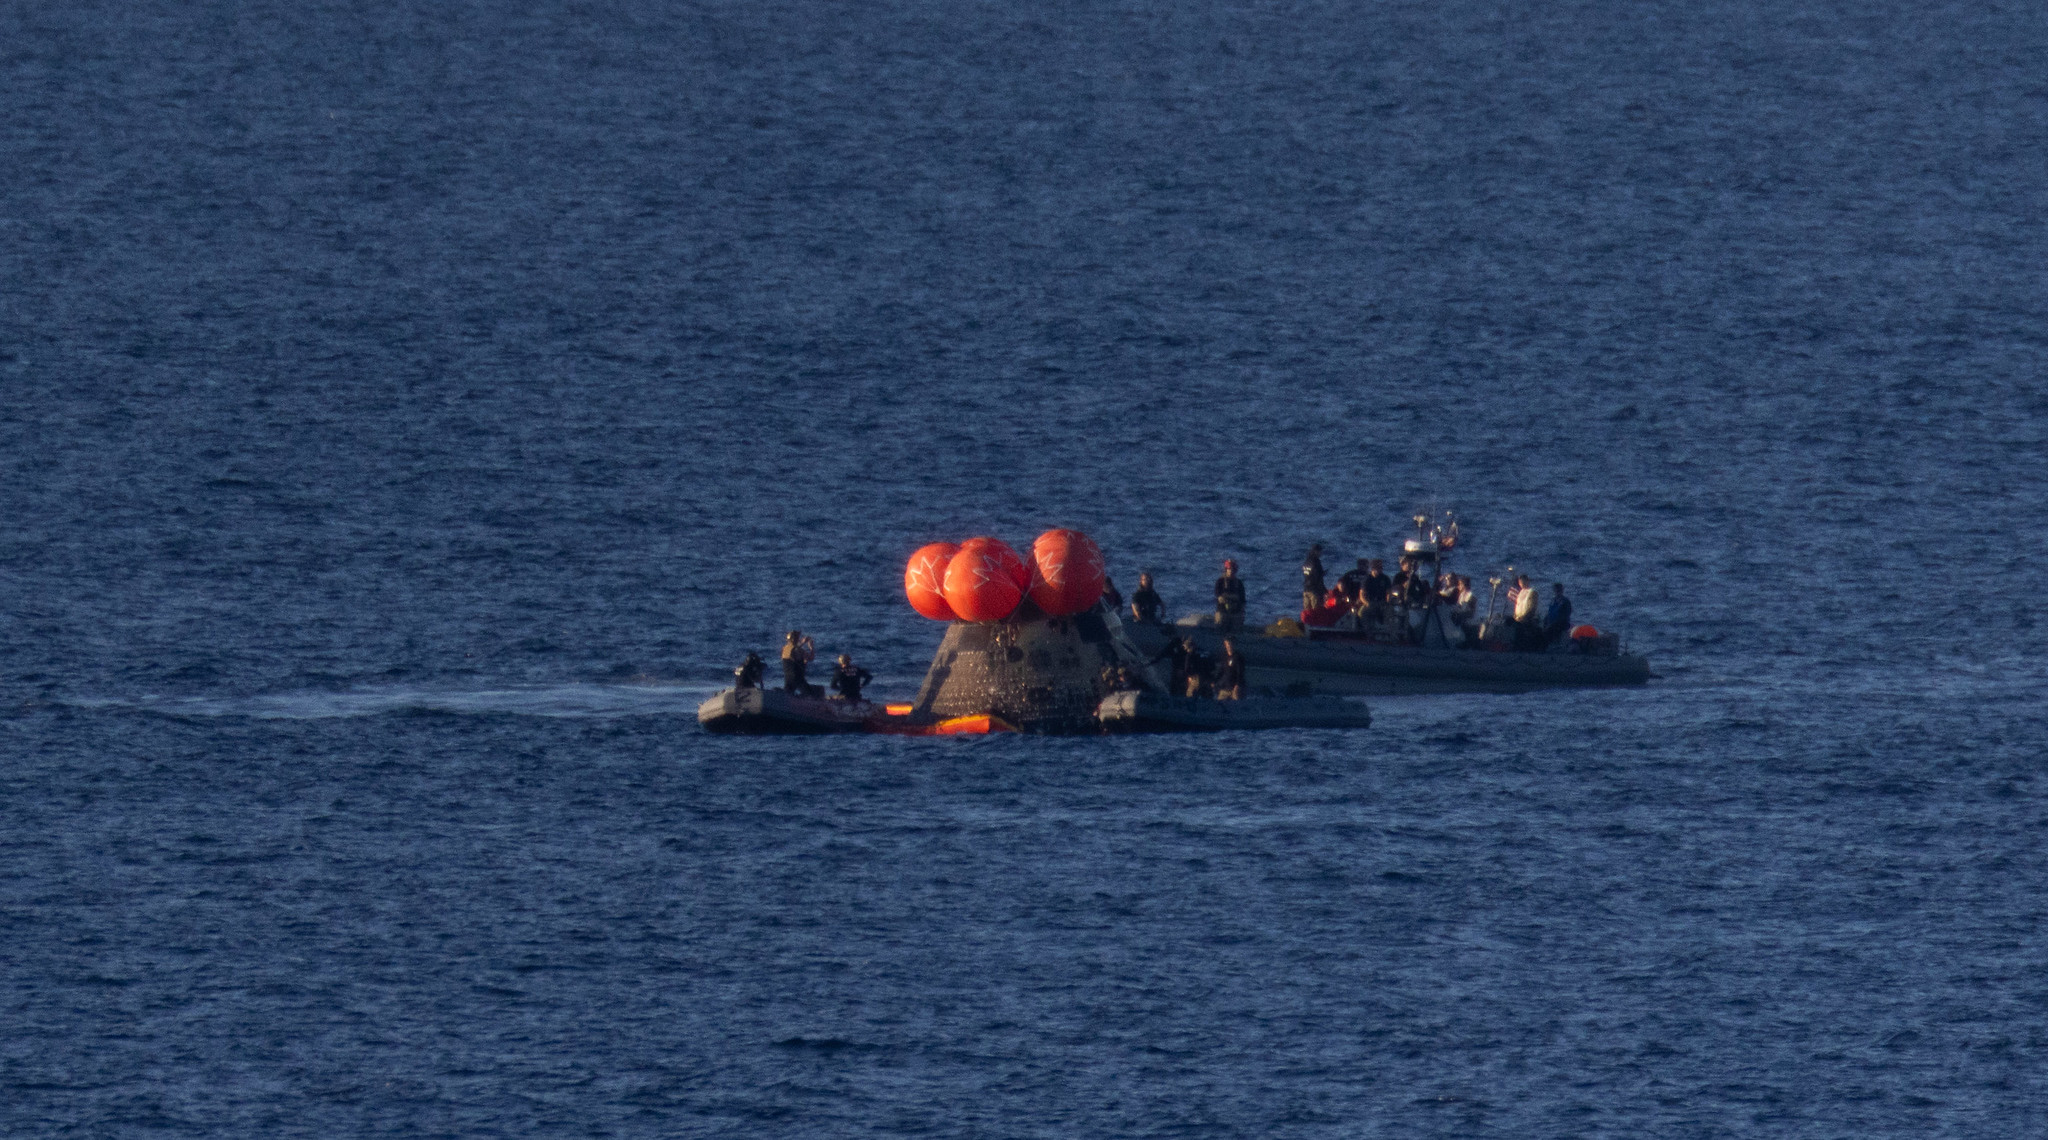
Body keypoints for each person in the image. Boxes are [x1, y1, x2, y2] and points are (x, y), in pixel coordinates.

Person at [781, 630, 821, 696]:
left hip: (787, 678)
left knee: (788, 693)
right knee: (811, 694)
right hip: (798, 679)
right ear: (795, 639)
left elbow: (793, 654)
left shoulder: (784, 649)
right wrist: (811, 648)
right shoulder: (799, 650)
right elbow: (811, 658)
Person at [1214, 559, 1246, 633]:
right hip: (1223, 612)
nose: (1231, 571)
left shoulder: (1239, 583)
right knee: (1220, 629)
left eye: (1232, 569)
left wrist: (1241, 611)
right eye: (1229, 569)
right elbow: (1218, 594)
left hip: (1236, 613)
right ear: (1226, 570)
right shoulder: (1220, 581)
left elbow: (1243, 599)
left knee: (1236, 632)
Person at [1511, 575, 1541, 651]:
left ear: (1527, 581)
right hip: (1518, 618)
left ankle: (1520, 648)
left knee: (1519, 628)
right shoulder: (1521, 593)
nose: (1522, 583)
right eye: (1520, 582)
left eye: (1524, 581)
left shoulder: (1532, 592)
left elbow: (1531, 609)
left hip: (1527, 619)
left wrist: (1524, 618)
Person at [1301, 544, 1327, 610]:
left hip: (1306, 590)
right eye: (1319, 552)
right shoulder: (1316, 562)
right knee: (1316, 611)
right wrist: (1324, 590)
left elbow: (1308, 575)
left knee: (1307, 611)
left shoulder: (1306, 562)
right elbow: (1317, 577)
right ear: (1316, 551)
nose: (1320, 554)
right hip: (1314, 591)